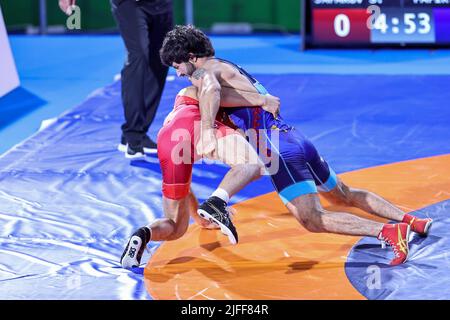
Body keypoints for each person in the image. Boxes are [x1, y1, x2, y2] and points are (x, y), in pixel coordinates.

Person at [159, 25, 433, 266]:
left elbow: (212, 91)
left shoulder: (206, 71)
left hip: (276, 147)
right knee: (343, 194)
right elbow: (240, 96)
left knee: (312, 218)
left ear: (192, 57)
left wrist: (206, 131)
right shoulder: (227, 68)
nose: (180, 74)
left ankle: (388, 232)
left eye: (178, 66)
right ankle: (412, 221)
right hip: (293, 137)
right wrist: (262, 100)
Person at [120, 85, 280, 268]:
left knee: (176, 227)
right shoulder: (208, 85)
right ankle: (216, 203)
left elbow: (186, 187)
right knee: (252, 165)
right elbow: (213, 89)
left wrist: (199, 218)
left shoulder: (184, 99)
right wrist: (263, 100)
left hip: (167, 141)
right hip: (199, 127)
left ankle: (144, 235)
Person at [59, 0, 173, 160]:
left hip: (162, 4)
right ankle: (133, 135)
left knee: (162, 59)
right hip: (129, 4)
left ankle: (139, 131)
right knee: (138, 57)